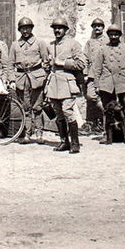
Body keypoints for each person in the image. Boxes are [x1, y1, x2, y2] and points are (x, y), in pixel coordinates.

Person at [45, 17, 87, 154]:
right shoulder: (50, 45)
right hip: (53, 83)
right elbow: (48, 65)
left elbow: (81, 63)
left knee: (68, 111)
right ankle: (64, 142)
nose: (57, 30)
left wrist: (63, 63)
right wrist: (46, 64)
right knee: (59, 114)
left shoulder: (73, 44)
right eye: (55, 28)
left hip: (67, 82)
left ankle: (75, 143)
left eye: (60, 28)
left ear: (65, 30)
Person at [94, 24, 125, 145]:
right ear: (108, 35)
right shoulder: (102, 49)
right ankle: (106, 134)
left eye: (116, 34)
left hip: (124, 83)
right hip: (107, 83)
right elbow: (97, 68)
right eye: (111, 34)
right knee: (107, 110)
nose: (113, 36)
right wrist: (97, 85)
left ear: (120, 35)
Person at [10, 17, 50, 143]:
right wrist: (11, 80)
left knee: (37, 107)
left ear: (31, 29)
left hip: (37, 78)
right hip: (21, 79)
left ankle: (39, 133)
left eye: (27, 28)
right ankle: (27, 134)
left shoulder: (40, 43)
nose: (25, 31)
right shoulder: (15, 45)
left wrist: (45, 77)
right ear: (19, 30)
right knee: (25, 108)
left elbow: (46, 61)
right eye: (22, 28)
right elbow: (10, 64)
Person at [82, 18, 108, 133]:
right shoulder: (90, 42)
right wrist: (85, 74)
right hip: (93, 74)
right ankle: (93, 122)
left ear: (103, 27)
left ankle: (104, 124)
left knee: (106, 98)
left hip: (106, 74)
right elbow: (85, 58)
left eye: (99, 26)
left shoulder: (108, 41)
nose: (97, 28)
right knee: (91, 96)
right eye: (95, 26)